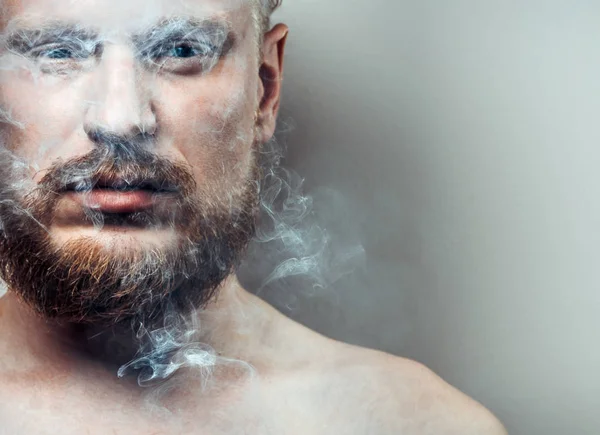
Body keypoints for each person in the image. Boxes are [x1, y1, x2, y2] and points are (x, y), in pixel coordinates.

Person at [0, 0, 507, 433]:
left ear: (266, 86)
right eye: (57, 52)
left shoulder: (406, 424)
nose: (120, 120)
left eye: (181, 50)